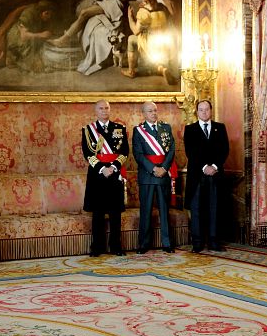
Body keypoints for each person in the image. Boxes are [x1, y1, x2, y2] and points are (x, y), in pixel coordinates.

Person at [82, 100, 129, 257]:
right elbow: (87, 154)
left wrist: (113, 167)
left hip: (115, 174)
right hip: (97, 175)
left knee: (115, 213)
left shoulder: (120, 128)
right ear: (96, 111)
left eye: (106, 108)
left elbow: (125, 152)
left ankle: (116, 246)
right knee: (98, 213)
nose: (104, 110)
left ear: (110, 110)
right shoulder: (88, 130)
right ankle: (97, 247)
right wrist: (102, 169)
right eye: (101, 108)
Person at [183, 100, 229, 253]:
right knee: (197, 210)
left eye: (206, 109)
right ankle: (197, 242)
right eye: (201, 110)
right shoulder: (190, 129)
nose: (204, 112)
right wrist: (204, 167)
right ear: (197, 112)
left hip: (215, 175)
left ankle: (214, 242)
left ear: (211, 110)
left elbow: (225, 150)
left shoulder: (220, 128)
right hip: (197, 175)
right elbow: (190, 153)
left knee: (214, 208)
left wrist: (214, 166)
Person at [133, 101, 177, 253]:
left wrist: (164, 168)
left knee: (165, 210)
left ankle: (167, 243)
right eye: (150, 111)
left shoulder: (166, 128)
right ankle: (144, 244)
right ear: (144, 114)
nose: (153, 113)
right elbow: (138, 155)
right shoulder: (138, 131)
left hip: (163, 174)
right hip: (147, 176)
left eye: (155, 110)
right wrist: (153, 169)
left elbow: (171, 150)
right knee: (146, 210)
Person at [121, 0, 177, 84]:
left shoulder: (144, 13)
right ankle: (163, 70)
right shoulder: (162, 8)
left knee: (131, 39)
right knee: (155, 64)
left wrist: (130, 17)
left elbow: (135, 31)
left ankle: (131, 71)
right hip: (163, 42)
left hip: (150, 43)